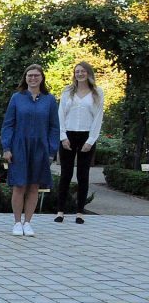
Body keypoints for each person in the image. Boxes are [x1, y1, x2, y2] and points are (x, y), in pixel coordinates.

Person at [2, 64, 59, 237]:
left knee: (34, 186)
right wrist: (6, 147)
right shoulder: (17, 98)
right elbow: (8, 124)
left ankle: (28, 222)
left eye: (36, 75)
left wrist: (51, 149)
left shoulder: (49, 100)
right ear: (25, 78)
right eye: (29, 75)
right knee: (19, 185)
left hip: (40, 147)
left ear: (42, 78)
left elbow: (54, 127)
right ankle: (17, 222)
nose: (33, 78)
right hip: (19, 146)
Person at [55, 62, 104, 224]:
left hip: (86, 136)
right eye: (77, 71)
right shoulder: (67, 91)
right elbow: (61, 114)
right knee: (65, 175)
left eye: (83, 71)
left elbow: (98, 118)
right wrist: (63, 137)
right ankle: (60, 211)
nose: (79, 74)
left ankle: (79, 212)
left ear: (88, 73)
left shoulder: (97, 92)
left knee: (83, 175)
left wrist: (91, 140)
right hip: (68, 135)